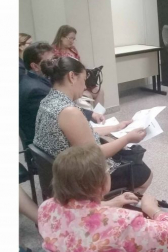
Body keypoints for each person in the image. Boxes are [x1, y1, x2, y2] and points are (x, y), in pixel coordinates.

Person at [38, 144, 168, 252]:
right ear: (101, 183)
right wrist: (153, 210)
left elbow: (81, 213)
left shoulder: (46, 208)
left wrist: (114, 202)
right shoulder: (122, 223)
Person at [33, 57, 153, 193]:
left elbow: (81, 133)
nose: (85, 86)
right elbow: (96, 154)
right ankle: (110, 209)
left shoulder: (48, 101)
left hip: (60, 172)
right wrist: (127, 138)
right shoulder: (69, 112)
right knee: (145, 174)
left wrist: (115, 127)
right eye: (84, 80)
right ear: (72, 76)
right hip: (79, 177)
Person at [19, 42, 104, 146]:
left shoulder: (30, 80)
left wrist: (90, 115)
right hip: (54, 150)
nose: (53, 64)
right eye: (49, 61)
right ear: (35, 66)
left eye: (54, 59)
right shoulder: (37, 91)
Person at [52, 25, 104, 106]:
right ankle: (91, 117)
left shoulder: (73, 49)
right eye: (70, 38)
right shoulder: (54, 52)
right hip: (69, 83)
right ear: (61, 37)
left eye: (74, 39)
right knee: (88, 96)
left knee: (99, 91)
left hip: (79, 80)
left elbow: (79, 65)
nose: (72, 41)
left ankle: (99, 116)